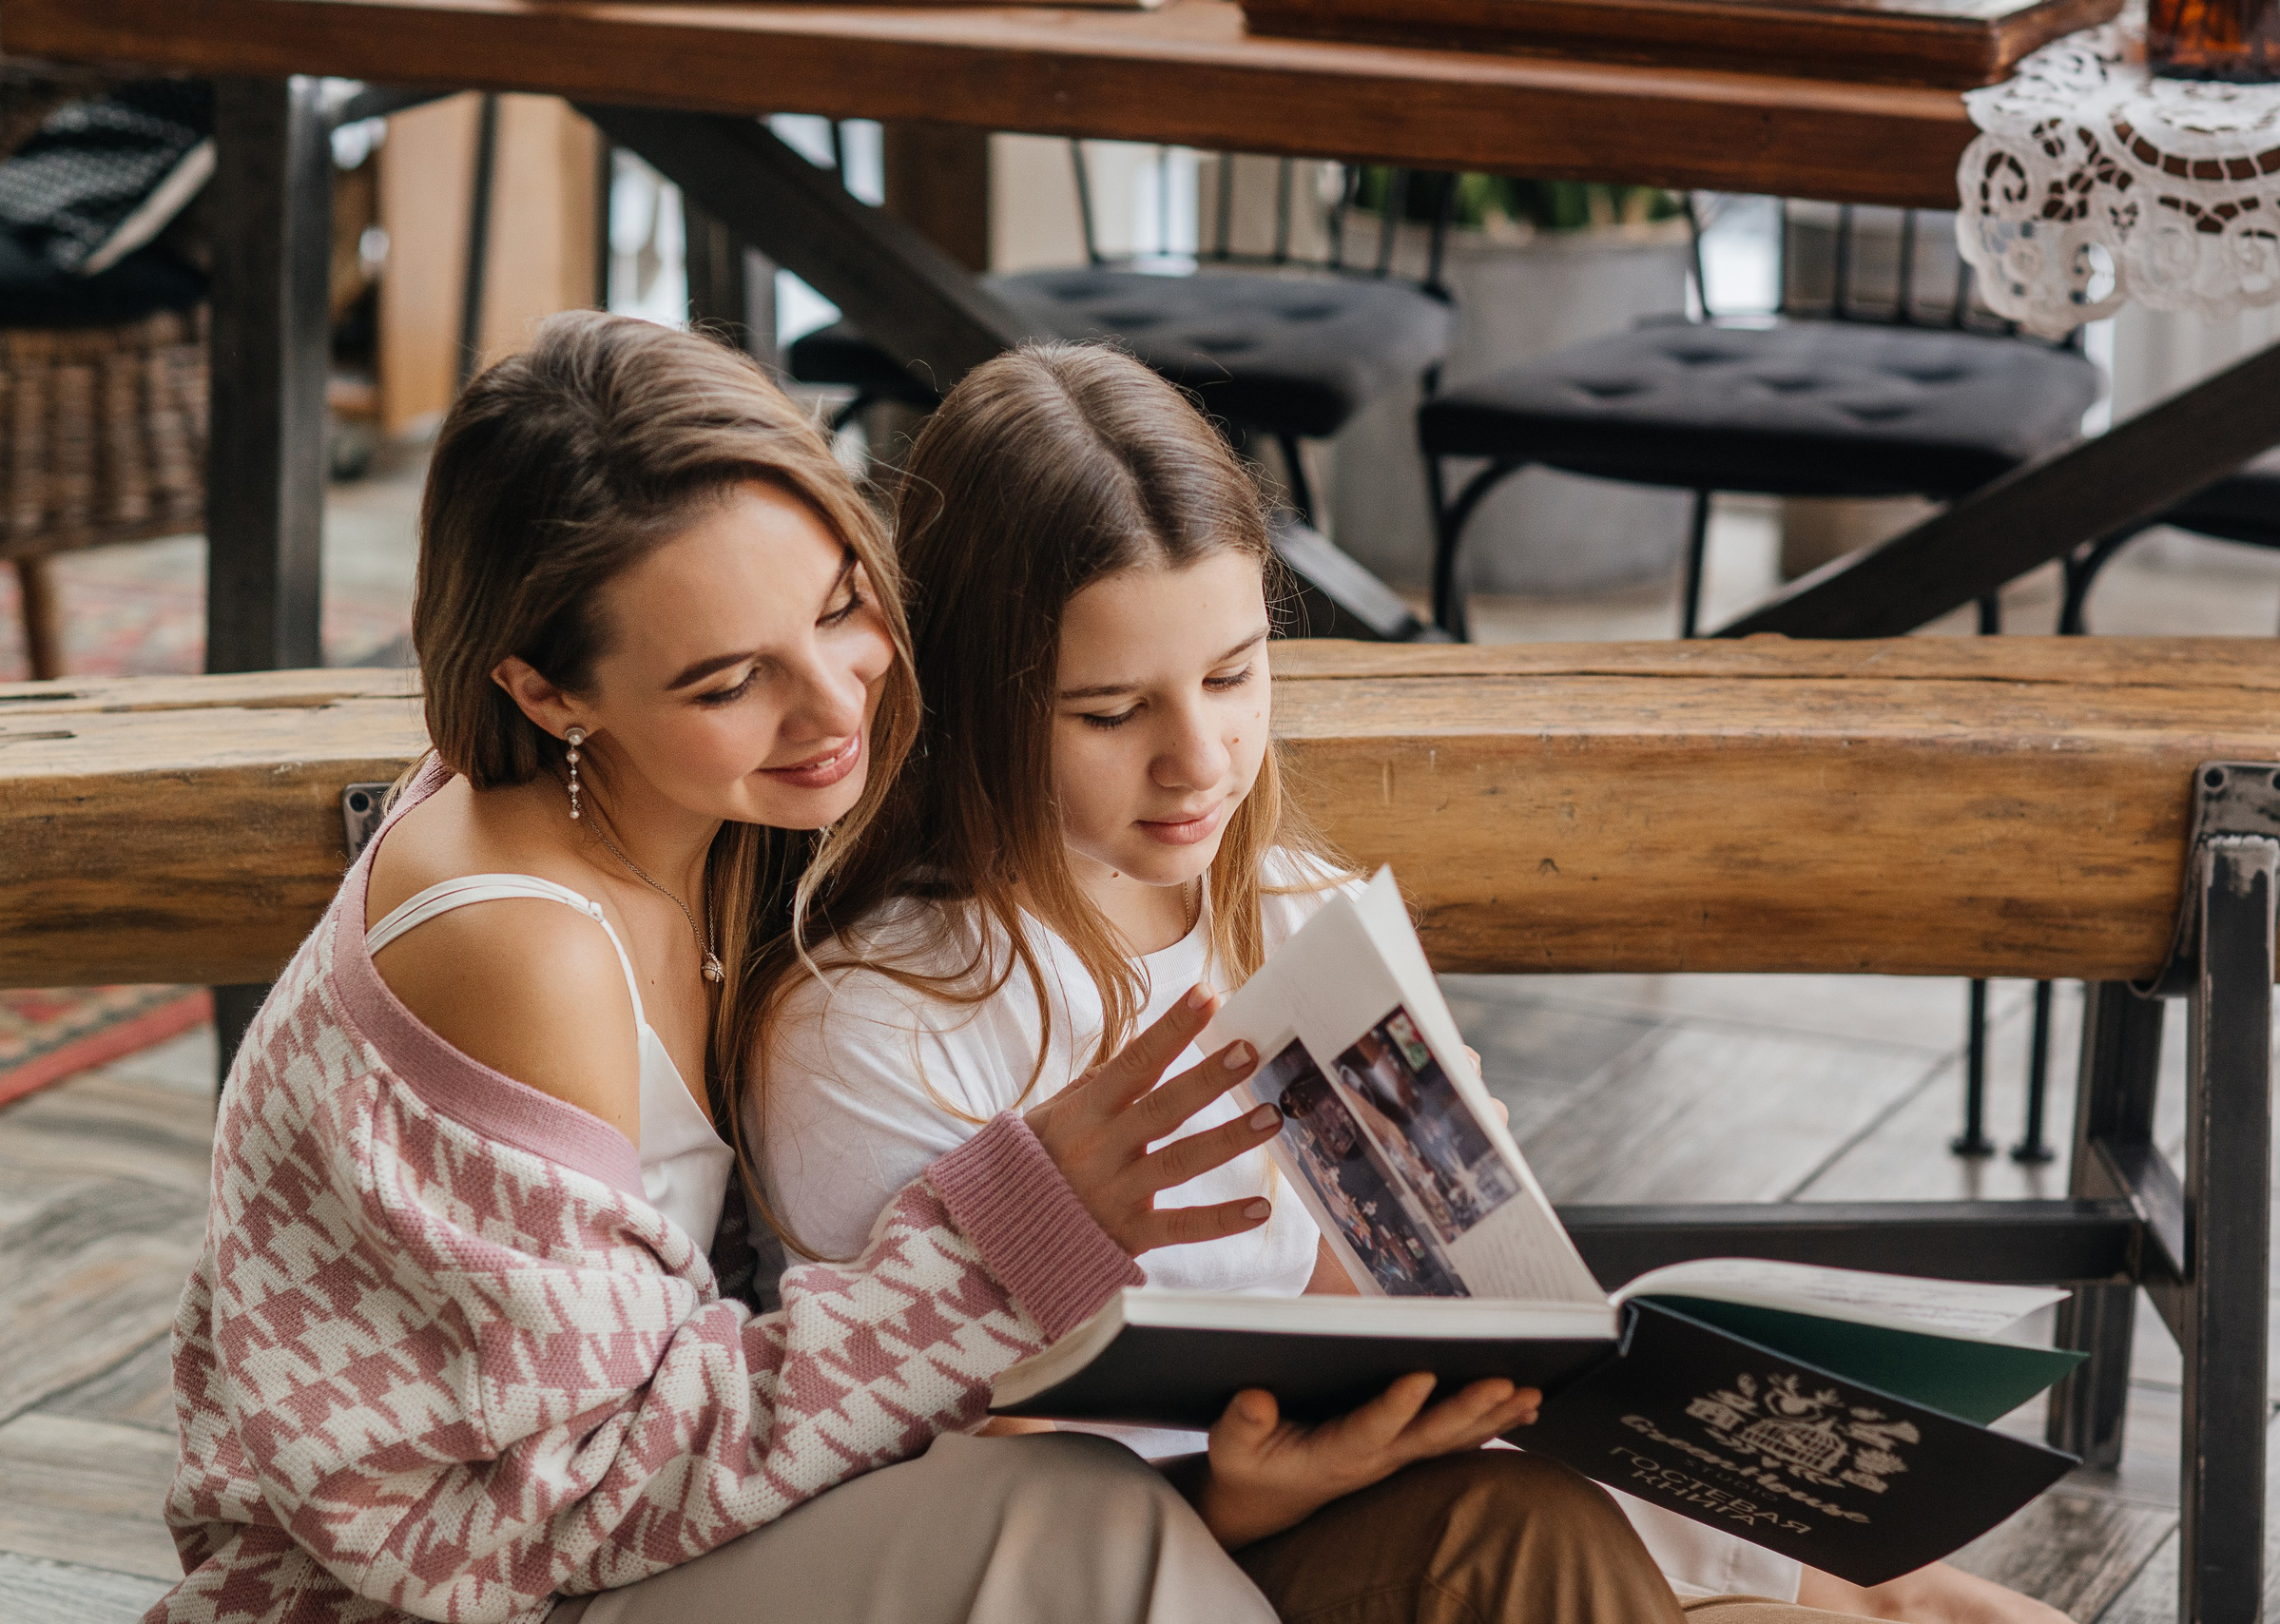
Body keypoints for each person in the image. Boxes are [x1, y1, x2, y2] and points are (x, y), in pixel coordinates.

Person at [146, 313, 1686, 1624]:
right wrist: (1009, 1234)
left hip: (646, 1523)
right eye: (730, 678)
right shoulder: (518, 940)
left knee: (1525, 1523)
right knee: (1069, 1525)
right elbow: (555, 1505)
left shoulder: (719, 814)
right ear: (548, 691)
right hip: (449, 1593)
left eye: (840, 609)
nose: (837, 707)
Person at [740, 341, 2071, 1624]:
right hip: (1170, 1559)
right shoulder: (877, 1024)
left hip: (1389, 1475)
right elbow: (928, 1515)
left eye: (1232, 674)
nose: (1198, 758)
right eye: (1110, 711)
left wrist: (1433, 1210)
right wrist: (1239, 1498)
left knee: (1925, 1600)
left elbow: (1352, 1331)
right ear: (969, 697)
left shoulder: (1291, 913)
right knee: (1541, 1542)